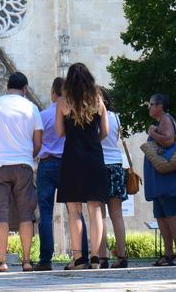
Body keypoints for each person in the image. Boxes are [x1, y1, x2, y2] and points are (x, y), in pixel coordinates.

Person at [0, 71, 43, 272]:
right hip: (23, 164)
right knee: (26, 214)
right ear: (25, 89)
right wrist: (27, 155)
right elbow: (38, 141)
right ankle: (26, 261)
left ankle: (2, 261)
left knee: (1, 214)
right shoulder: (31, 107)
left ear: (8, 87)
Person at [55, 62, 110, 270]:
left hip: (72, 158)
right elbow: (104, 131)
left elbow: (60, 133)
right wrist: (92, 139)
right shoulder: (98, 99)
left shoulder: (63, 102)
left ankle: (78, 258)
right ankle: (96, 256)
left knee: (74, 210)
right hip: (94, 157)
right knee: (95, 209)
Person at [34, 77, 88, 271]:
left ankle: (45, 259)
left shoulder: (42, 115)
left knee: (45, 212)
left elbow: (37, 141)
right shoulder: (74, 113)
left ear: (52, 93)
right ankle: (83, 255)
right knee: (75, 211)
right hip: (68, 163)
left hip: (47, 164)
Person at [143, 92, 176, 266]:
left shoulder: (165, 119)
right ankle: (168, 253)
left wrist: (152, 133)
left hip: (167, 178)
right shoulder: (160, 121)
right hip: (160, 178)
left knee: (171, 215)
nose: (149, 107)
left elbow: (169, 140)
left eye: (151, 103)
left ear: (160, 106)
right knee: (161, 216)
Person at [96, 87, 129, 268]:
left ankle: (103, 257)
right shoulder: (116, 117)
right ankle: (122, 256)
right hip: (116, 165)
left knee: (99, 214)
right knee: (117, 215)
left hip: (100, 166)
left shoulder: (94, 118)